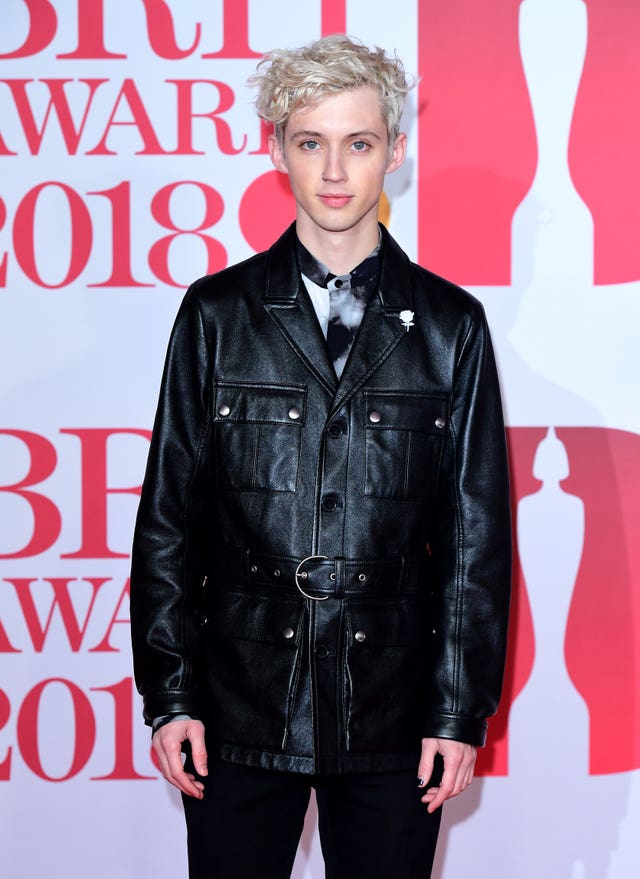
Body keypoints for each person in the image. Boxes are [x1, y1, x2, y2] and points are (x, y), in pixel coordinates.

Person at [130, 35, 511, 879]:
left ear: (395, 151)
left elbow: (475, 542)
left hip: (393, 707)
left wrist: (456, 709)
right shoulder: (216, 315)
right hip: (237, 701)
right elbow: (166, 522)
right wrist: (172, 693)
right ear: (276, 150)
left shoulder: (452, 328)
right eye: (311, 142)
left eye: (360, 142)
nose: (335, 170)